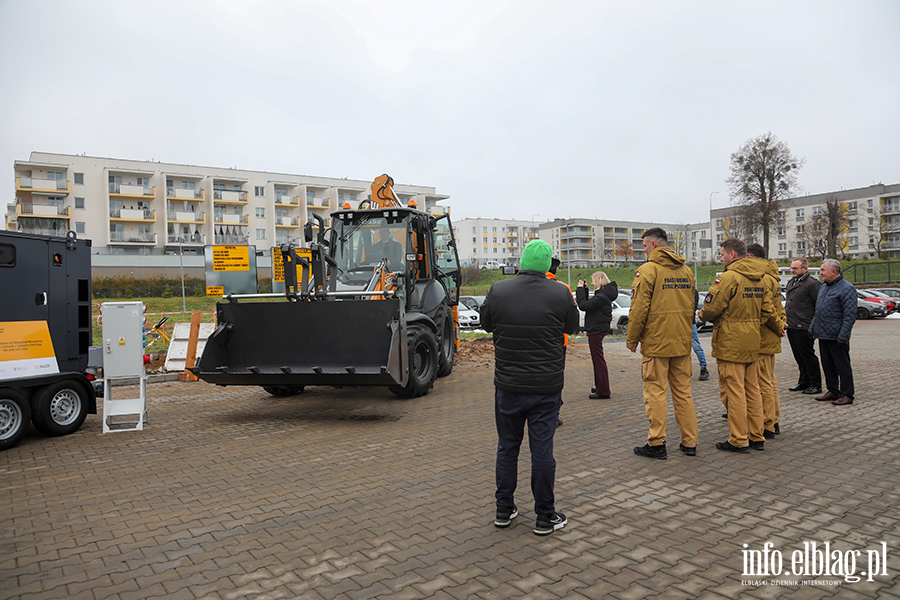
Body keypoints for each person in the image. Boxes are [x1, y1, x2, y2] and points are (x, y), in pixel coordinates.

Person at [480, 239, 579, 535]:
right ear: (548, 265)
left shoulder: (499, 290)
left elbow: (485, 323)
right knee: (542, 452)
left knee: (507, 448)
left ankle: (503, 508)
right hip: (546, 388)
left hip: (508, 385)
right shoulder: (561, 292)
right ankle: (545, 515)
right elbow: (572, 327)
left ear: (522, 262)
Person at [698, 238, 780, 453]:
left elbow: (711, 308)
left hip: (730, 343)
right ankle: (757, 435)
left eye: (722, 254)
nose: (721, 258)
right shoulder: (761, 278)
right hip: (753, 342)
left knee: (734, 392)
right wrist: (752, 326)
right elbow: (766, 312)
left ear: (732, 254)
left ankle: (738, 439)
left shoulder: (728, 278)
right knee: (753, 390)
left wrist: (702, 315)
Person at [626, 228, 699, 459]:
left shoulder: (647, 271)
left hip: (657, 343)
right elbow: (691, 307)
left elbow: (638, 310)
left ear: (654, 245)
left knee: (655, 392)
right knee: (683, 393)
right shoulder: (686, 271)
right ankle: (690, 442)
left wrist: (632, 338)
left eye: (645, 246)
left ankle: (657, 443)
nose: (644, 250)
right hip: (681, 342)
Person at [746, 243, 787, 439]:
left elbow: (768, 310)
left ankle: (767, 422)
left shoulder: (763, 279)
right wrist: (781, 324)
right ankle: (773, 419)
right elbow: (779, 308)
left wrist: (776, 325)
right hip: (771, 334)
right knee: (770, 380)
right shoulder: (773, 277)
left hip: (763, 335)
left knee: (763, 382)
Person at [808, 259, 856, 406]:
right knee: (827, 365)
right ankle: (833, 390)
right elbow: (819, 310)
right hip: (823, 334)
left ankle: (847, 394)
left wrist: (843, 335)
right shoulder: (824, 287)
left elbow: (849, 315)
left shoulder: (847, 288)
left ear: (833, 271)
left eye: (823, 270)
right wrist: (812, 328)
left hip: (837, 335)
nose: (820, 273)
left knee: (842, 366)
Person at [576, 271, 618, 399]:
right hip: (598, 328)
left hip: (596, 329)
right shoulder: (603, 295)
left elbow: (583, 306)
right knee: (598, 360)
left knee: (598, 361)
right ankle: (600, 385)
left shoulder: (601, 297)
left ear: (599, 281)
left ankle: (603, 391)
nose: (593, 283)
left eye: (593, 281)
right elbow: (590, 305)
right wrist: (586, 289)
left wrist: (579, 289)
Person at [784, 257, 823, 395]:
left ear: (804, 269)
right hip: (792, 325)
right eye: (792, 268)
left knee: (807, 356)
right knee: (799, 356)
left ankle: (815, 384)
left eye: (795, 268)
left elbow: (819, 305)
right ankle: (804, 381)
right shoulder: (791, 282)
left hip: (804, 325)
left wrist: (813, 324)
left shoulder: (812, 284)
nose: (792, 271)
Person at [692, 315, 709, 381]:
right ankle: (703, 368)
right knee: (696, 346)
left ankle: (703, 367)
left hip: (683, 323)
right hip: (690, 322)